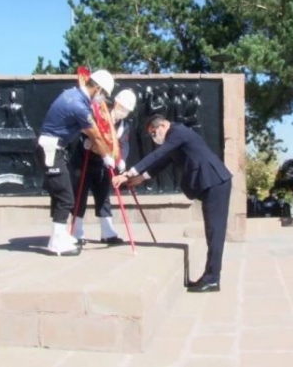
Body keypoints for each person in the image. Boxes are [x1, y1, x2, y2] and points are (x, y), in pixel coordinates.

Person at [112, 115, 232, 293]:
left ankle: (213, 279)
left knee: (215, 231)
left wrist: (128, 174)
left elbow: (157, 154)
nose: (154, 138)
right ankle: (209, 275)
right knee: (211, 231)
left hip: (215, 181)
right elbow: (162, 161)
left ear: (161, 126)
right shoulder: (174, 139)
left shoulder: (177, 132)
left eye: (153, 133)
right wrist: (140, 179)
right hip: (210, 183)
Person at [37, 69, 116, 256]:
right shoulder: (80, 106)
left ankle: (60, 234)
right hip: (50, 150)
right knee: (66, 197)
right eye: (103, 93)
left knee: (62, 196)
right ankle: (56, 243)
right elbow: (96, 134)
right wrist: (107, 157)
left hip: (53, 148)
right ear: (97, 88)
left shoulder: (71, 94)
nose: (102, 99)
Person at [72, 89, 137, 245]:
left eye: (126, 110)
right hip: (84, 160)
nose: (123, 112)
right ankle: (77, 232)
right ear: (116, 102)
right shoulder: (100, 114)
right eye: (121, 107)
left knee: (103, 196)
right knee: (80, 197)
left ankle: (107, 232)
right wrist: (84, 142)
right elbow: (84, 129)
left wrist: (122, 160)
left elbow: (124, 144)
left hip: (104, 165)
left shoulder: (124, 126)